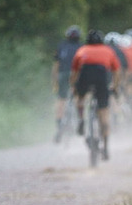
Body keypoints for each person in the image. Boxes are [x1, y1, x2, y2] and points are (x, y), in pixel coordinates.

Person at [70, 29, 121, 158]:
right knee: (103, 112)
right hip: (101, 78)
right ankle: (106, 147)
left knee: (80, 98)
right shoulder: (108, 50)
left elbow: (75, 72)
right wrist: (114, 86)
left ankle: (81, 118)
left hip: (85, 75)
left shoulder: (82, 50)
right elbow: (116, 71)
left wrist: (74, 88)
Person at [51, 25, 82, 143]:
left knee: (61, 100)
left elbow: (56, 65)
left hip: (63, 74)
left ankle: (59, 126)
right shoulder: (81, 47)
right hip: (77, 74)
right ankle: (80, 121)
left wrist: (54, 80)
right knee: (78, 98)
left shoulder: (61, 46)